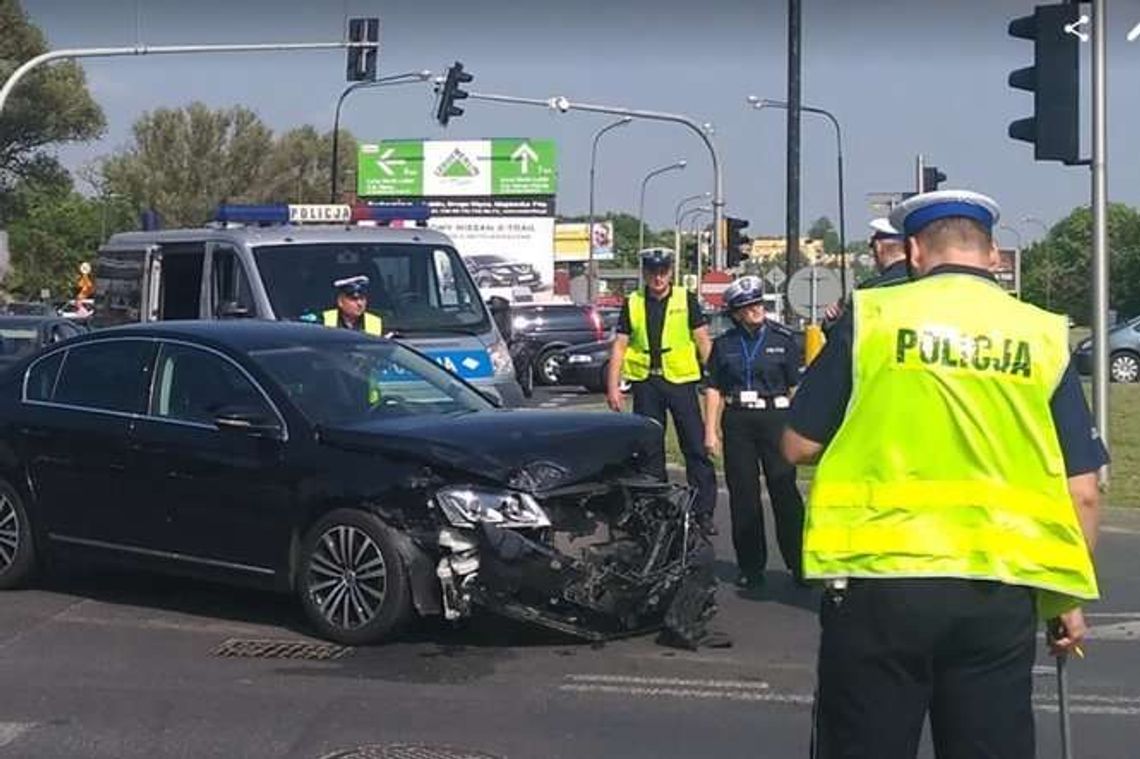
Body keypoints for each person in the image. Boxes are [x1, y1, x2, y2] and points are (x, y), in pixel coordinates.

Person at [780, 190, 1104, 758]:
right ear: (995, 255)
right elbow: (1084, 493)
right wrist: (1063, 601)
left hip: (878, 585)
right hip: (996, 592)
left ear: (912, 252)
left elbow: (797, 444)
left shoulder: (874, 321)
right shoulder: (1042, 335)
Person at [703, 275, 805, 589]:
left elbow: (794, 388)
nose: (756, 310)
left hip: (775, 417)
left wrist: (798, 427)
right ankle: (751, 566)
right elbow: (713, 389)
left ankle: (799, 564)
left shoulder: (783, 339)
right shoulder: (724, 345)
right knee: (743, 496)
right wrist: (711, 431)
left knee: (784, 491)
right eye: (748, 307)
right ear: (735, 313)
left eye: (758, 303)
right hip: (738, 421)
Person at [607, 249, 717, 531]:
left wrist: (717, 378)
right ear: (644, 272)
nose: (658, 277)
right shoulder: (633, 302)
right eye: (653, 272)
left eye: (663, 271)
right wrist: (613, 387)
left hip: (680, 381)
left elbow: (703, 340)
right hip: (647, 382)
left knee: (694, 445)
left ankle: (702, 512)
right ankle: (655, 510)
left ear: (670, 272)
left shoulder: (685, 299)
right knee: (650, 449)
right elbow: (620, 345)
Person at [822, 217, 909, 323]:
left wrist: (833, 320)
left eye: (871, 246)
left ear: (878, 247)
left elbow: (843, 336)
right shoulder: (927, 282)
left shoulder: (869, 291)